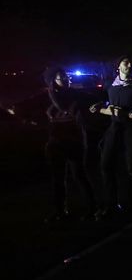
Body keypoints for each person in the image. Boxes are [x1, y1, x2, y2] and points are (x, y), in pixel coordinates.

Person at [90, 55, 132, 218]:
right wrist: (99, 105)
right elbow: (105, 100)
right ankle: (111, 203)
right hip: (115, 127)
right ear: (118, 66)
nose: (130, 65)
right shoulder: (110, 84)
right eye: (126, 62)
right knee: (105, 165)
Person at [43, 68, 97, 222]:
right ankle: (60, 211)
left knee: (79, 175)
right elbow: (26, 105)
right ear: (53, 80)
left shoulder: (75, 94)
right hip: (56, 142)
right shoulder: (47, 96)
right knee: (58, 179)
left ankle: (92, 208)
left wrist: (99, 103)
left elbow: (93, 98)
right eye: (62, 78)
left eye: (67, 78)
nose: (66, 81)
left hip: (75, 141)